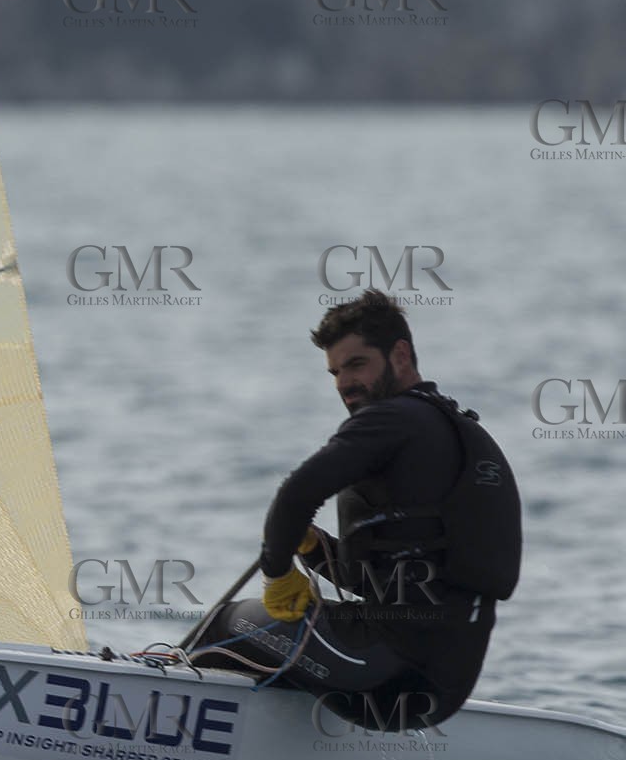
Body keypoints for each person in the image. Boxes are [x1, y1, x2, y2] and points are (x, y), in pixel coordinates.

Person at [186, 291, 520, 729]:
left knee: (225, 624)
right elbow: (385, 579)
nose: (344, 382)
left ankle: (148, 709)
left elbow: (295, 495)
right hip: (439, 687)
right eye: (335, 371)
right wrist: (310, 546)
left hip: (379, 668)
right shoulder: (457, 432)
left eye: (357, 364)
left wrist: (278, 574)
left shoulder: (393, 420)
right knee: (272, 648)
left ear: (400, 355)